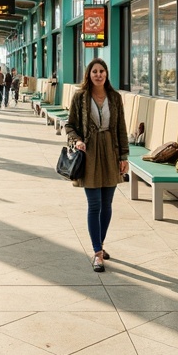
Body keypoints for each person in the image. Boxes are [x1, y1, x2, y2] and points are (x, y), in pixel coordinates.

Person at [64, 58, 129, 272]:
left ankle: (99, 243)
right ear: (88, 74)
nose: (98, 75)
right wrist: (78, 140)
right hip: (89, 153)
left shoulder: (115, 97)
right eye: (94, 71)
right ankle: (98, 253)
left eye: (102, 71)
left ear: (106, 74)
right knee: (94, 205)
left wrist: (124, 156)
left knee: (107, 204)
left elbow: (120, 128)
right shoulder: (80, 97)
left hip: (110, 152)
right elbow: (70, 125)